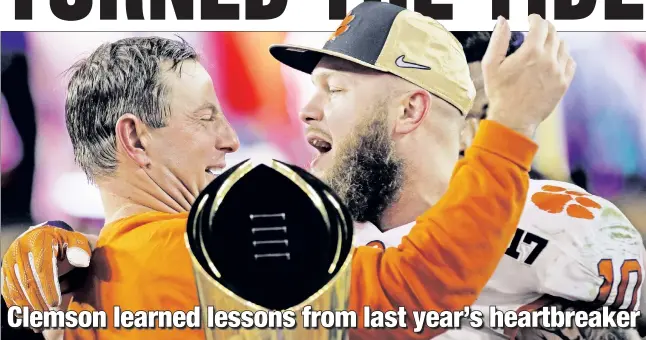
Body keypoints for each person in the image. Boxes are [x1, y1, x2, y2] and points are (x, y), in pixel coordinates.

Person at [2, 3, 574, 340]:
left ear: (413, 110)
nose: (231, 141)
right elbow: (414, 288)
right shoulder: (206, 255)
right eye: (205, 117)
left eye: (337, 88)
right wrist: (515, 126)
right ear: (134, 138)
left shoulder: (85, 278)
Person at [325, 29, 643, 339]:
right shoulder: (332, 220)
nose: (471, 133)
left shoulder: (563, 223)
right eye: (456, 113)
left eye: (490, 113)